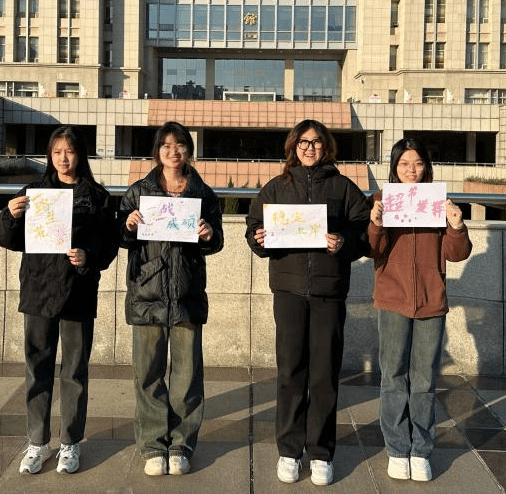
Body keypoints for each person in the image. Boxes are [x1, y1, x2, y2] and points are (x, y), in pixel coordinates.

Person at [245, 119, 370, 486]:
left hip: (329, 290)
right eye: (303, 142)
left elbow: (363, 231)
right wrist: (258, 238)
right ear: (293, 147)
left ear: (326, 147)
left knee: (324, 375)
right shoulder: (277, 187)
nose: (310, 148)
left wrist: (343, 241)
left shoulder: (343, 187)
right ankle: (289, 450)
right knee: (290, 372)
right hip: (288, 290)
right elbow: (253, 227)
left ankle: (321, 452)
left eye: (316, 142)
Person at [0, 125, 119, 475]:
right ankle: (37, 443)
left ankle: (70, 443)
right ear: (50, 156)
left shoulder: (97, 197)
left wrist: (88, 255)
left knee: (74, 371)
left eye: (70, 151)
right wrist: (10, 215)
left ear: (81, 155)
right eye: (57, 152)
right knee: (38, 369)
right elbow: (5, 238)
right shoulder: (34, 193)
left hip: (78, 291)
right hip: (38, 290)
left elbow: (109, 243)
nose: (64, 158)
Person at [118, 121, 224, 477]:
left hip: (187, 293)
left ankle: (181, 444)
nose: (173, 150)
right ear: (157, 151)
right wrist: (128, 225)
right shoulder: (140, 191)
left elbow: (217, 240)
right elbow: (120, 236)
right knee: (147, 373)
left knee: (187, 376)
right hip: (147, 293)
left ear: (188, 150)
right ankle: (152, 445)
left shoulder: (202, 193)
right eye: (166, 145)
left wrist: (208, 234)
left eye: (179, 144)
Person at [368, 137, 472, 482]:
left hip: (431, 300)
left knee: (425, 378)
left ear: (426, 166)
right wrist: (376, 222)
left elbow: (456, 254)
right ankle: (397, 448)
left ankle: (421, 449)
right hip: (392, 299)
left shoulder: (438, 201)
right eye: (404, 164)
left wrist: (456, 225)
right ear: (394, 168)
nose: (411, 170)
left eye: (417, 163)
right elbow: (372, 249)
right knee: (393, 376)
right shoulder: (382, 199)